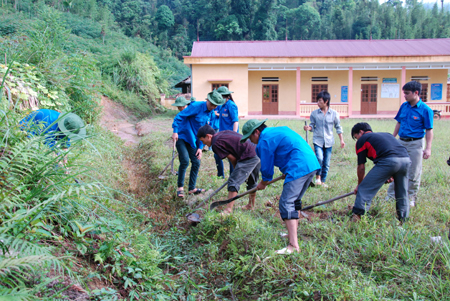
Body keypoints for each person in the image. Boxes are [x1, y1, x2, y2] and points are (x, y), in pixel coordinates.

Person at [241, 119, 320, 254]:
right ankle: (291, 235)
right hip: (311, 163)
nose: (250, 141)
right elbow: (288, 147)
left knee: (286, 202)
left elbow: (266, 169)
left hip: (299, 166)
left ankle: (293, 246)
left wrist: (263, 182)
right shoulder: (277, 130)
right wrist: (285, 170)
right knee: (294, 201)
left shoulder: (263, 141)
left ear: (256, 132)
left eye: (249, 137)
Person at [350, 122, 411, 222]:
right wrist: (390, 174)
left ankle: (358, 217)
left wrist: (359, 185)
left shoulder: (362, 140)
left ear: (361, 132)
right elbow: (392, 152)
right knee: (402, 192)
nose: (357, 140)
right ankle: (403, 219)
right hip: (406, 160)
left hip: (389, 161)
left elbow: (361, 167)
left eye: (356, 137)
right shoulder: (386, 135)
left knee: (365, 188)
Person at [386, 81, 434, 207]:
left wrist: (428, 148)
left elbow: (429, 130)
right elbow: (399, 123)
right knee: (395, 167)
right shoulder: (404, 106)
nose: (405, 96)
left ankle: (410, 197)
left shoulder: (426, 110)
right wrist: (393, 138)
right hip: (401, 142)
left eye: (407, 93)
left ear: (416, 93)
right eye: (404, 93)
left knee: (414, 171)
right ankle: (391, 195)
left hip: (415, 143)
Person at [172, 90, 225, 198]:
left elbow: (204, 132)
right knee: (185, 161)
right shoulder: (196, 106)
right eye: (211, 104)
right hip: (182, 136)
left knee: (196, 161)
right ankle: (180, 188)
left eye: (215, 105)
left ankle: (192, 188)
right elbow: (180, 116)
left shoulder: (211, 113)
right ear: (207, 100)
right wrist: (175, 131)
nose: (213, 107)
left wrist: (200, 147)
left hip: (193, 140)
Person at [197, 124, 260, 214]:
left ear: (208, 136)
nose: (204, 144)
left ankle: (228, 210)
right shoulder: (220, 134)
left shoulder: (215, 144)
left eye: (203, 141)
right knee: (252, 181)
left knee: (233, 181)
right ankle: (251, 205)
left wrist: (236, 171)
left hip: (248, 155)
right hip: (256, 150)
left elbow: (233, 159)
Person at [303, 91, 345, 188]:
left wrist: (341, 140)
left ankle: (323, 181)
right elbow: (312, 125)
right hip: (318, 140)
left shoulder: (334, 114)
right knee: (319, 158)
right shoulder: (314, 114)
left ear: (326, 101)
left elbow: (338, 127)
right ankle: (317, 178)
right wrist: (308, 128)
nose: (317, 103)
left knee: (326, 163)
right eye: (317, 101)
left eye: (320, 101)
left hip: (329, 141)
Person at [20, 109, 86, 149]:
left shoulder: (68, 124)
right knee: (34, 148)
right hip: (27, 128)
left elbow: (65, 145)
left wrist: (65, 165)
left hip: (47, 130)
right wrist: (59, 163)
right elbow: (49, 147)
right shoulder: (50, 124)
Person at [216, 86, 239, 176]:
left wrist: (234, 135)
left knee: (231, 157)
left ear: (227, 96)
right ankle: (220, 175)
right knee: (217, 154)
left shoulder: (231, 105)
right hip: (221, 135)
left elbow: (235, 121)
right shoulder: (222, 106)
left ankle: (232, 176)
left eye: (220, 97)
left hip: (230, 136)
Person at [210, 104, 224, 178]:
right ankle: (220, 175)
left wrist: (217, 114)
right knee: (216, 154)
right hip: (212, 127)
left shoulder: (221, 106)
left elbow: (221, 116)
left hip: (218, 128)